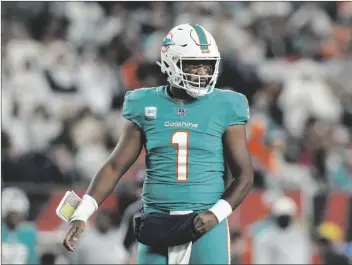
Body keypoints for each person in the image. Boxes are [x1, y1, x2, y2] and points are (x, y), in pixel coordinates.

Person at [63, 23, 254, 264]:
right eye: (194, 64)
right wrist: (82, 212)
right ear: (171, 62)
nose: (203, 73)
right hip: (158, 222)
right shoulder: (144, 102)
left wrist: (216, 214)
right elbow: (114, 167)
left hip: (207, 223)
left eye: (208, 65)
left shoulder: (227, 104)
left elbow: (245, 175)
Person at [252, 196, 311, 264]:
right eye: (282, 216)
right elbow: (261, 260)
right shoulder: (265, 237)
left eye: (286, 216)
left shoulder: (301, 235)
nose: (284, 219)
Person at [2, 187, 40, 264]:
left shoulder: (28, 232)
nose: (15, 218)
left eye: (18, 214)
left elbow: (33, 260)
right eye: (12, 214)